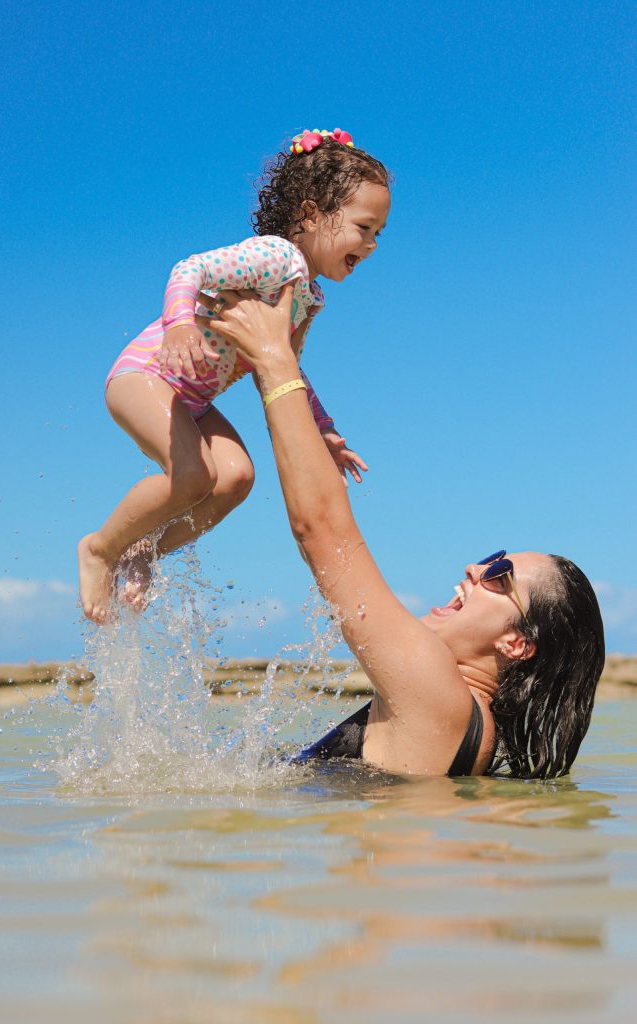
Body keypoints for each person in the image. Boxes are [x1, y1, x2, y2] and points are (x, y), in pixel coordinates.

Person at [198, 283, 606, 779]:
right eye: (492, 558)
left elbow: (323, 533)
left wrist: (273, 361)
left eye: (500, 575)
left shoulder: (441, 696)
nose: (475, 568)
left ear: (517, 643)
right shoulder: (468, 725)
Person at [78, 128, 391, 623]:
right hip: (147, 373)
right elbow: (190, 269)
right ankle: (99, 548)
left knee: (237, 479)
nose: (372, 244)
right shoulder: (276, 256)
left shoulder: (310, 296)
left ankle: (142, 551)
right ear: (310, 215)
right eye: (364, 227)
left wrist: (323, 429)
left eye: (378, 234)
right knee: (196, 475)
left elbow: (288, 368)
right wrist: (180, 325)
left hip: (193, 400)